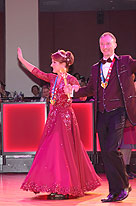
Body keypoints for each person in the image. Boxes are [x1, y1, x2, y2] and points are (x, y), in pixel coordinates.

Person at [64, 28, 136, 202]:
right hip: (102, 114)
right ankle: (115, 190)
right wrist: (74, 91)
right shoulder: (96, 68)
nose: (105, 47)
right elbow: (90, 89)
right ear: (99, 46)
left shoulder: (125, 62)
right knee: (106, 153)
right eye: (102, 44)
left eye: (108, 43)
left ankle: (123, 186)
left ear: (115, 45)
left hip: (119, 112)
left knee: (112, 148)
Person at [17, 48, 101, 199]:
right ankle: (57, 184)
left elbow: (82, 97)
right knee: (53, 151)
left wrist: (74, 90)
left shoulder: (71, 80)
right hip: (53, 118)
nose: (51, 65)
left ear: (63, 64)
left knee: (62, 151)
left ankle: (64, 186)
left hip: (65, 118)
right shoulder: (52, 78)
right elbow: (37, 72)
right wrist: (22, 61)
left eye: (54, 62)